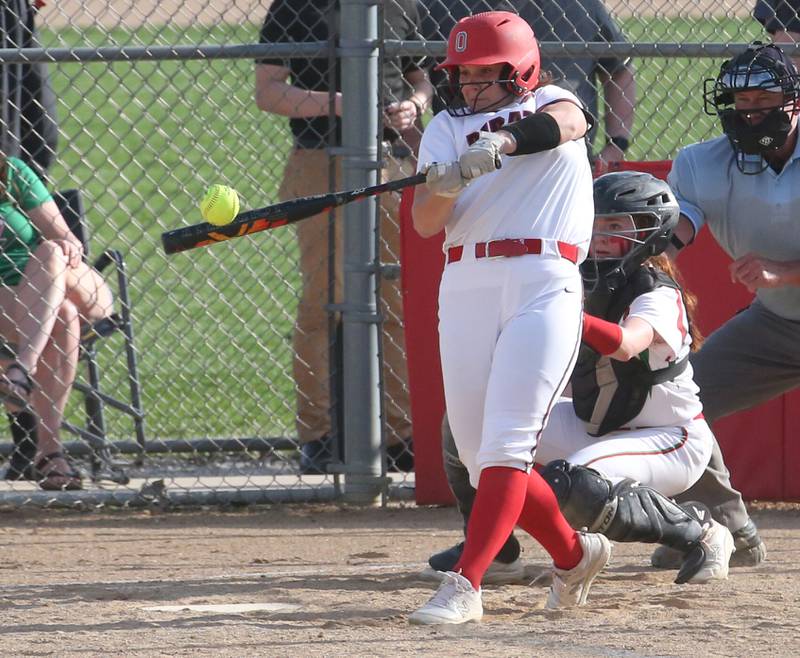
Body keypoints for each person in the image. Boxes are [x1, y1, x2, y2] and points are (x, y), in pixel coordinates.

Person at [423, 173, 735, 585]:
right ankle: (498, 550)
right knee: (473, 427)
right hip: (591, 425)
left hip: (668, 437)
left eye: (616, 226)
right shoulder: (572, 275)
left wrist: (559, 312)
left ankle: (703, 534)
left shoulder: (656, 292)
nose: (601, 235)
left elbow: (626, 344)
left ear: (653, 230)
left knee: (574, 488)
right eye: (596, 223)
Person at [409, 12, 611, 625]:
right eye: (463, 76)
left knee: (508, 442)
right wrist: (443, 184)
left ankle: (465, 585)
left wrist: (499, 145)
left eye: (484, 76)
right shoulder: (443, 127)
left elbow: (569, 124)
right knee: (479, 458)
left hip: (543, 279)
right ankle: (575, 557)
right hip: (466, 282)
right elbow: (425, 222)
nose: (470, 87)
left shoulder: (552, 100)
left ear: (518, 71)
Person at [255, 0, 433, 474]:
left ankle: (399, 437)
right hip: (322, 157)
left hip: (392, 159)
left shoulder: (402, 4)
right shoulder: (295, 5)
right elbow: (268, 91)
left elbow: (421, 77)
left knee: (395, 296)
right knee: (323, 299)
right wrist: (340, 101)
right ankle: (320, 435)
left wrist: (413, 106)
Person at [649, 41, 800, 570]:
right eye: (741, 100)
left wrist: (785, 272)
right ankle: (727, 529)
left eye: (765, 96)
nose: (752, 109)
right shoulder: (702, 161)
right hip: (780, 323)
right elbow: (676, 227)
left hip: (782, 295)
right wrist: (646, 262)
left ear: (795, 101)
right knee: (677, 402)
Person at [0, 154, 114, 490]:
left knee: (52, 252)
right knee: (61, 314)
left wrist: (66, 247)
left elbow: (65, 237)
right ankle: (50, 453)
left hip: (66, 280)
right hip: (10, 299)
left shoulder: (10, 171)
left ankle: (22, 368)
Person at [420, 0, 636, 167]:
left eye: (485, 70)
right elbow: (410, 73)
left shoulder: (578, 5)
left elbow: (619, 68)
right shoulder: (438, 6)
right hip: (465, 161)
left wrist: (616, 144)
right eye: (465, 73)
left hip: (560, 149)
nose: (471, 82)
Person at [1, 0, 60, 482]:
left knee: (31, 154)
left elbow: (38, 149)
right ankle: (35, 444)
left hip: (15, 27)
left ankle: (35, 443)